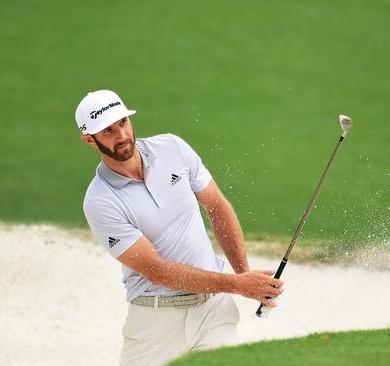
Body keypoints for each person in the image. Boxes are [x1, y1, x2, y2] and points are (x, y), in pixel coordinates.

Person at [75, 90, 283, 366]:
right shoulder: (100, 201)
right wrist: (238, 285)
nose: (122, 135)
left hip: (213, 311)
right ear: (90, 139)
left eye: (123, 123)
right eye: (108, 131)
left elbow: (217, 208)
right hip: (155, 322)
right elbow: (158, 272)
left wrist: (245, 276)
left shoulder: (172, 148)